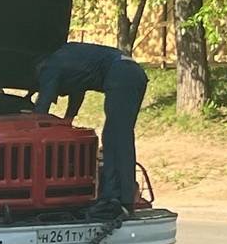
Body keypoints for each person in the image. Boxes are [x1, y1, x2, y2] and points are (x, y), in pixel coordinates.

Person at [34, 42, 148, 219]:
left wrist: (34, 124)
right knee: (121, 136)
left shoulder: (49, 66)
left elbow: (44, 102)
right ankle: (123, 197)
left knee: (115, 138)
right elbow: (78, 91)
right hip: (133, 72)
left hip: (120, 74)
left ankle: (115, 200)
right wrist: (68, 119)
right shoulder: (69, 58)